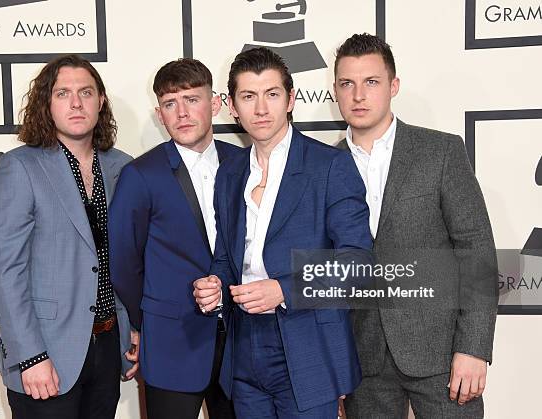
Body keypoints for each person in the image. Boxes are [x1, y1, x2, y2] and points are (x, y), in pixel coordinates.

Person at [193, 47, 373, 418]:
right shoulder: (229, 174)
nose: (261, 108)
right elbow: (228, 257)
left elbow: (358, 262)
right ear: (232, 106)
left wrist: (283, 289)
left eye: (272, 94)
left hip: (307, 344)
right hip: (244, 347)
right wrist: (213, 283)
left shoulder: (330, 166)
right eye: (248, 96)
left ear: (290, 99)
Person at [332, 33, 498, 418]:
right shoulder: (324, 166)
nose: (358, 95)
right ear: (336, 91)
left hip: (442, 355)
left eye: (371, 82)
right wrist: (333, 369)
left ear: (393, 86)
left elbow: (476, 250)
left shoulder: (440, 152)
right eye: (347, 84)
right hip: (363, 361)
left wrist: (473, 347)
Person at [0, 54, 136, 419]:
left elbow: (130, 259)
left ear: (100, 101)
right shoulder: (19, 167)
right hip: (46, 354)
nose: (75, 103)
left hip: (106, 346)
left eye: (85, 92)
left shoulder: (123, 166)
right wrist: (30, 355)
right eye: (62, 93)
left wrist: (132, 328)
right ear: (46, 103)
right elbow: (6, 271)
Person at [109, 58, 239, 419]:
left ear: (215, 103)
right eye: (170, 104)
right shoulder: (141, 174)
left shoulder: (244, 164)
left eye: (192, 100)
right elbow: (123, 261)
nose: (182, 113)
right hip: (172, 341)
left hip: (241, 343)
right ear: (159, 113)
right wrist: (150, 316)